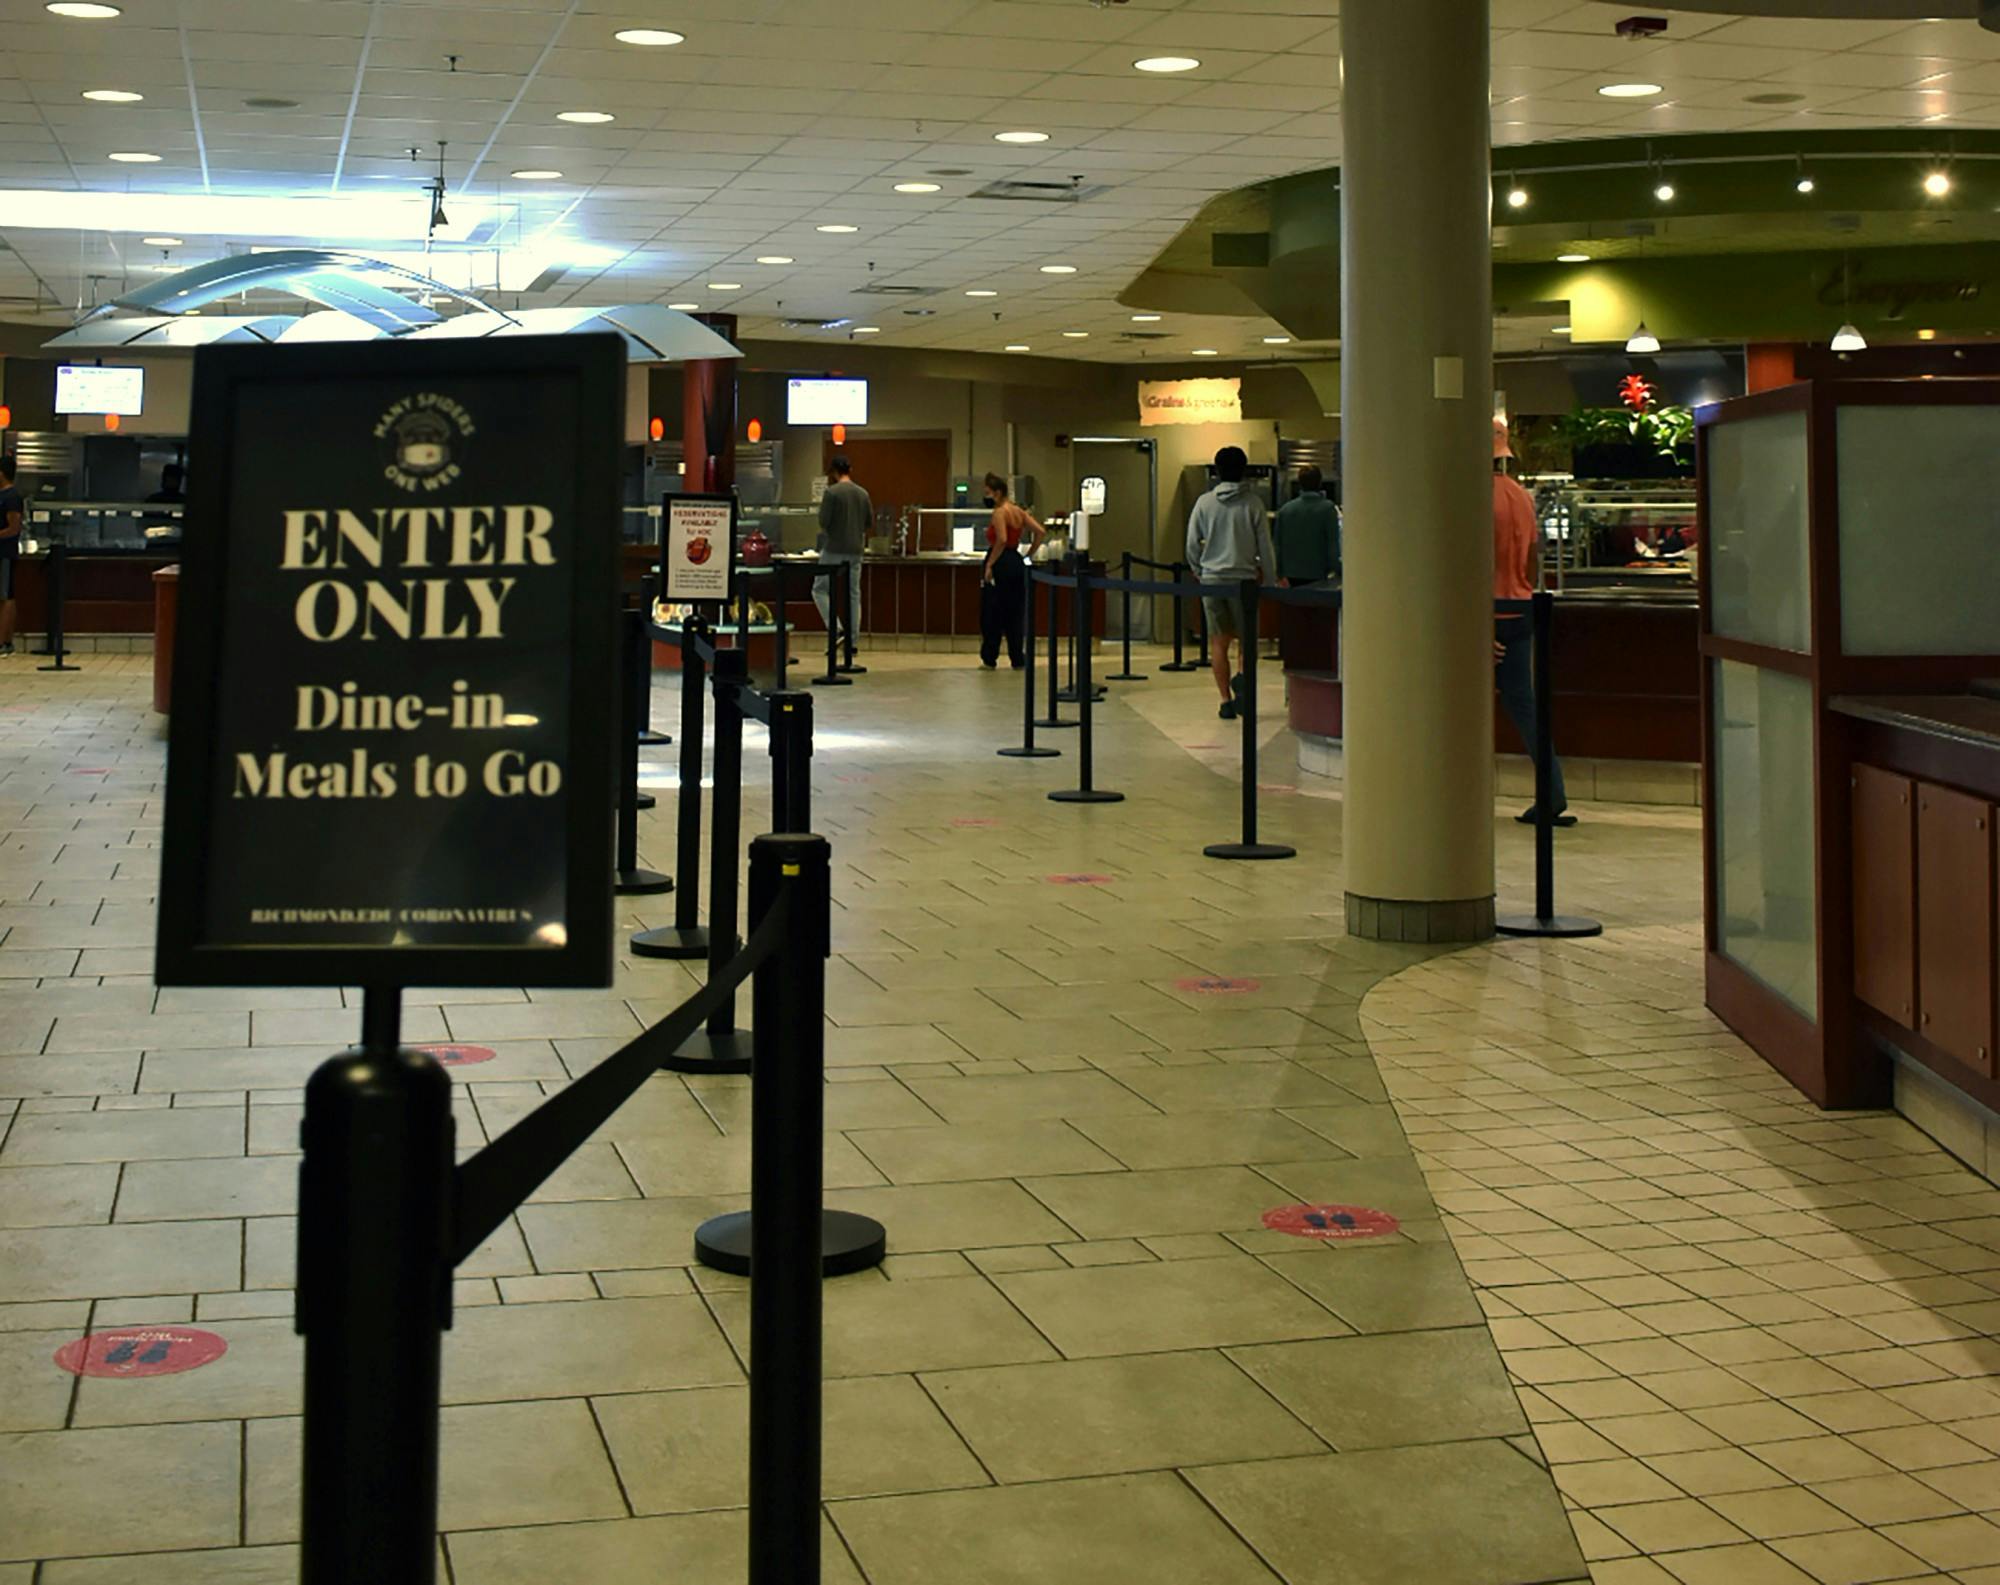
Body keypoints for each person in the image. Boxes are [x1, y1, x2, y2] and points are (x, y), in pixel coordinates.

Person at [1493, 417, 1572, 826]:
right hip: (1521, 608)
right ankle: (1552, 792)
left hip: (1486, 611)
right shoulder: (1522, 497)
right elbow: (1532, 557)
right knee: (1525, 707)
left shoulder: (1470, 498)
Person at [1185, 445, 1275, 720]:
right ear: (1243, 470)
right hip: (1244, 581)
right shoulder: (1254, 503)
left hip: (1212, 580)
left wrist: (1199, 569)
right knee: (1246, 642)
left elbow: (1191, 543)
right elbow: (1265, 546)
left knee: (1218, 642)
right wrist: (1269, 579)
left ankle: (1225, 701)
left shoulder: (1204, 503)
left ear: (1218, 471)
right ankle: (1242, 680)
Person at [977, 473, 1045, 669]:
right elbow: (1040, 532)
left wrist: (990, 563)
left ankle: (990, 656)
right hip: (1015, 561)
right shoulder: (1018, 511)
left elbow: (1002, 539)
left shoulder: (999, 512)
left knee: (993, 611)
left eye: (988, 493)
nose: (986, 497)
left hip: (1000, 562)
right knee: (1015, 611)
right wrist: (1028, 555)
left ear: (998, 493)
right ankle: (1017, 656)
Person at [814, 454, 871, 653]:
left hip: (834, 549)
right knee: (853, 594)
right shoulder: (863, 493)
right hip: (856, 550)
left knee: (819, 589)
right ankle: (853, 642)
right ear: (850, 470)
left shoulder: (832, 493)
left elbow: (823, 521)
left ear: (834, 472)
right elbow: (868, 522)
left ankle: (836, 629)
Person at [1272, 466, 1340, 587]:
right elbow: (1332, 546)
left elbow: (1277, 546)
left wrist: (1279, 574)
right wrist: (1338, 571)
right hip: (1318, 576)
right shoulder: (1328, 509)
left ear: (1300, 483)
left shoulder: (1285, 510)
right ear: (1319, 482)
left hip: (1290, 577)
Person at [0, 455, 21, 658]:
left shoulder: (12, 497)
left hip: (5, 553)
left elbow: (14, 527)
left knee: (6, 596)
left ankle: (4, 642)